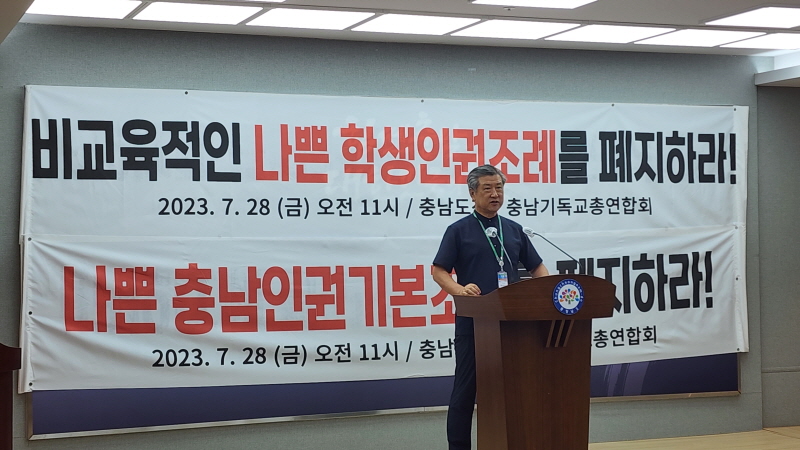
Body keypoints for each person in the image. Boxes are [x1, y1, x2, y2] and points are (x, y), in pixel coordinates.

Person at [432, 164, 549, 450]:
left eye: (499, 188)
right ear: (472, 193)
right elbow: (438, 270)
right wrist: (460, 290)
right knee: (465, 390)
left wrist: (544, 294)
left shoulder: (514, 229)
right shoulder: (458, 230)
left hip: (513, 324)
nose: (495, 194)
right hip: (474, 323)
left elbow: (537, 267)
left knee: (514, 389)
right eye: (487, 188)